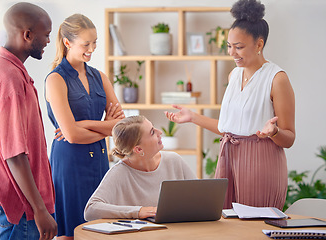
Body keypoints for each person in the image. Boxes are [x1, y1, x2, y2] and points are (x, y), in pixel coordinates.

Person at [165, 0, 295, 210]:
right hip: (229, 159)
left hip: (261, 163)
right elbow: (229, 128)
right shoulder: (234, 75)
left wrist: (274, 132)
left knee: (254, 227)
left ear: (259, 44)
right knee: (226, 225)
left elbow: (289, 138)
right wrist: (193, 117)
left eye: (239, 47)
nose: (231, 53)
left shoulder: (277, 79)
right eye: (229, 46)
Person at [0, 2, 57, 240]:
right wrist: (39, 209)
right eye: (46, 35)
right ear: (27, 35)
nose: (48, 41)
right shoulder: (11, 79)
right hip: (19, 203)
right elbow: (14, 153)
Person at [45, 14, 124, 239]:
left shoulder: (99, 76)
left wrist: (85, 125)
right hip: (70, 163)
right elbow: (70, 135)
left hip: (99, 160)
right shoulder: (55, 79)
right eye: (86, 44)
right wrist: (104, 127)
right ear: (68, 42)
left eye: (95, 42)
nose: (92, 49)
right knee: (70, 232)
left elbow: (121, 128)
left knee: (100, 230)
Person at [84, 115, 196, 221]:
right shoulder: (119, 172)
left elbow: (200, 196)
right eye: (152, 132)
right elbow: (90, 210)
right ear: (138, 149)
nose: (159, 132)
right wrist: (138, 211)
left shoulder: (173, 160)